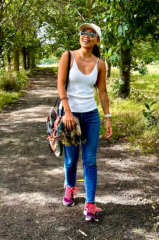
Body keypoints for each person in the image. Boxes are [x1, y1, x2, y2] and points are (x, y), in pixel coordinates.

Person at [57, 23, 112, 222]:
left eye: (91, 34)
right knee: (71, 159)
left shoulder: (100, 64)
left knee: (90, 161)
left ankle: (90, 204)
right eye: (83, 33)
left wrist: (107, 118)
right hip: (69, 116)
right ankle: (69, 188)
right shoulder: (68, 56)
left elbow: (102, 92)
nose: (86, 36)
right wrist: (67, 112)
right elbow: (60, 85)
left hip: (90, 116)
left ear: (97, 40)